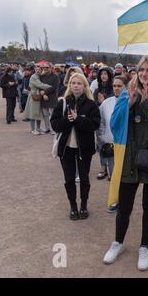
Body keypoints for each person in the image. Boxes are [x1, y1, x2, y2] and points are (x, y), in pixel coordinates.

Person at [103, 56, 148, 271]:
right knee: (124, 205)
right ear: (137, 71)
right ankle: (118, 242)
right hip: (128, 157)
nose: (145, 74)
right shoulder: (128, 91)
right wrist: (130, 103)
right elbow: (114, 123)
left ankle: (144, 246)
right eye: (142, 69)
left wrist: (144, 104)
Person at [50, 73, 100, 220]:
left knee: (84, 179)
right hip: (66, 148)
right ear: (69, 86)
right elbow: (55, 124)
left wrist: (78, 120)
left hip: (84, 149)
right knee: (69, 178)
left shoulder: (91, 105)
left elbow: (95, 125)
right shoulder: (63, 102)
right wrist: (68, 120)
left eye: (79, 83)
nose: (76, 85)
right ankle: (73, 206)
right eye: (73, 83)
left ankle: (83, 205)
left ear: (85, 86)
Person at [97, 75, 128, 213]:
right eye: (114, 86)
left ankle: (124, 200)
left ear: (125, 87)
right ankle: (115, 200)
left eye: (119, 86)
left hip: (126, 145)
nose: (116, 88)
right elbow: (101, 122)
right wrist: (104, 137)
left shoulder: (131, 102)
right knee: (113, 175)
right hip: (110, 145)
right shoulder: (106, 103)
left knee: (124, 175)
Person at [24, 65, 53, 135]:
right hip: (34, 97)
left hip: (39, 97)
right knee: (33, 113)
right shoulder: (33, 77)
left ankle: (38, 128)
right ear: (34, 69)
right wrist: (51, 87)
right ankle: (32, 129)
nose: (38, 71)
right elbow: (40, 85)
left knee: (39, 114)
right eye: (36, 69)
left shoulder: (40, 76)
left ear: (41, 70)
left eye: (39, 69)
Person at [40, 62, 60, 134]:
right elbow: (39, 86)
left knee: (52, 114)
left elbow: (54, 87)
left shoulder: (55, 77)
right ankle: (47, 128)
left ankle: (53, 129)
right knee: (45, 114)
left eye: (47, 67)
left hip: (52, 97)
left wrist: (45, 93)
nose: (45, 69)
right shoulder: (41, 77)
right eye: (44, 67)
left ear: (51, 68)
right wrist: (43, 94)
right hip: (43, 98)